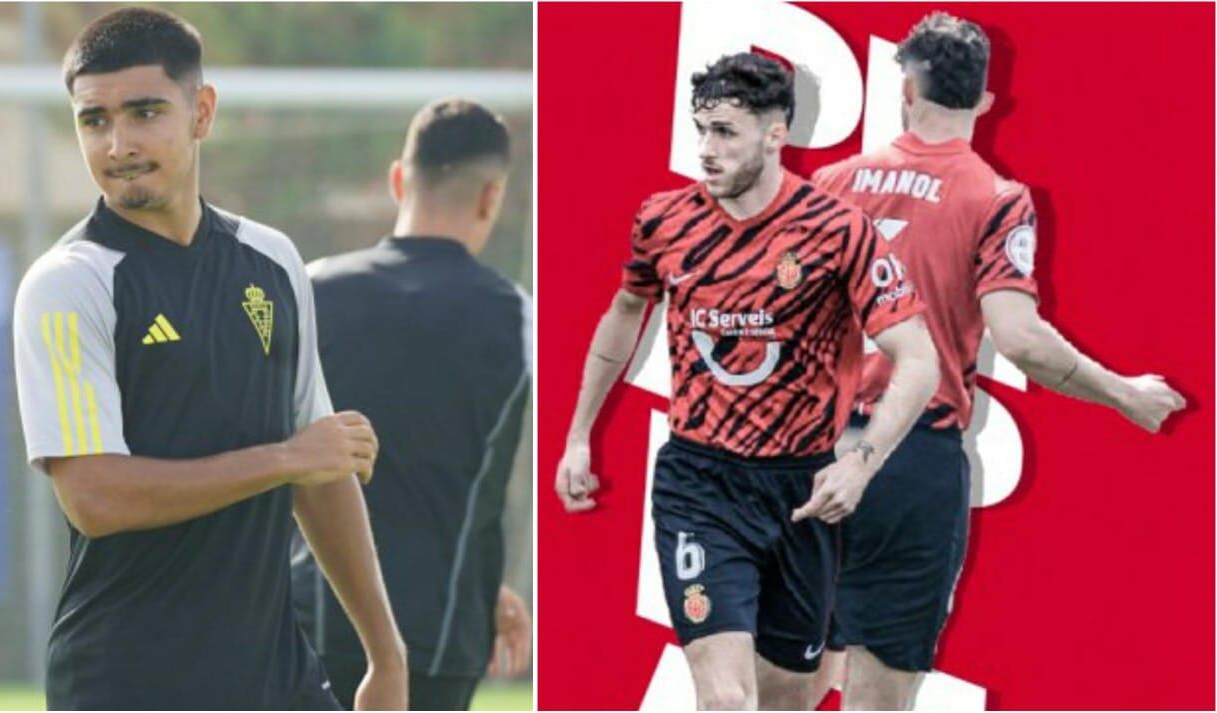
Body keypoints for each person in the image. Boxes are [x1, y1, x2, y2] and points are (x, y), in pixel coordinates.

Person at [11, 8, 407, 709]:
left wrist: (385, 652)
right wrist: (286, 458)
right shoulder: (69, 283)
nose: (118, 143)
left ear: (202, 111)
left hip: (277, 678)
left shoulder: (273, 260)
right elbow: (95, 496)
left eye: (144, 112)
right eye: (93, 120)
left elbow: (322, 472)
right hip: (130, 681)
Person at [806, 13, 1187, 710]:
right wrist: (1124, 392)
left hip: (811, 451)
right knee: (877, 700)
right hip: (910, 461)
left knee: (785, 688)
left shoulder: (831, 182)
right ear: (985, 102)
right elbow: (1020, 339)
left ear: (905, 93)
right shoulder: (997, 199)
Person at [554, 52, 941, 710]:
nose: (706, 149)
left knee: (787, 697)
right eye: (700, 128)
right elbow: (625, 312)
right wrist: (578, 434)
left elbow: (920, 357)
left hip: (804, 491)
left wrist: (861, 463)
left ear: (775, 133)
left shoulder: (838, 231)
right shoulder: (663, 221)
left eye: (725, 132)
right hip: (699, 484)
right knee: (726, 699)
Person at [290, 99, 532, 710]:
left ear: (399, 180)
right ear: (490, 198)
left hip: (308, 622)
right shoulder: (520, 318)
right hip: (442, 635)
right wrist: (479, 585)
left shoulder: (309, 289)